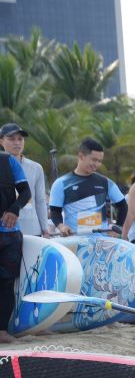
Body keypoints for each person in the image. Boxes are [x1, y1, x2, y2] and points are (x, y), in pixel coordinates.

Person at [49, 138, 127, 236]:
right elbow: (54, 211)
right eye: (94, 160)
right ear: (81, 156)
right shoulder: (61, 183)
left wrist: (118, 227)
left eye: (100, 161)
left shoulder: (105, 182)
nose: (97, 164)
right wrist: (61, 226)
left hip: (101, 242)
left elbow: (123, 205)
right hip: (75, 241)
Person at [0, 140, 32, 343]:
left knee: (6, 283)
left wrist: (14, 209)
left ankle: (2, 331)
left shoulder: (7, 161)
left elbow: (26, 192)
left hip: (9, 234)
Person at [0, 123, 48, 237]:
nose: (17, 143)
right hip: (6, 229)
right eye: (11, 139)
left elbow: (40, 200)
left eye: (20, 139)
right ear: (1, 141)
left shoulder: (36, 167)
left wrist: (45, 229)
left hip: (32, 229)